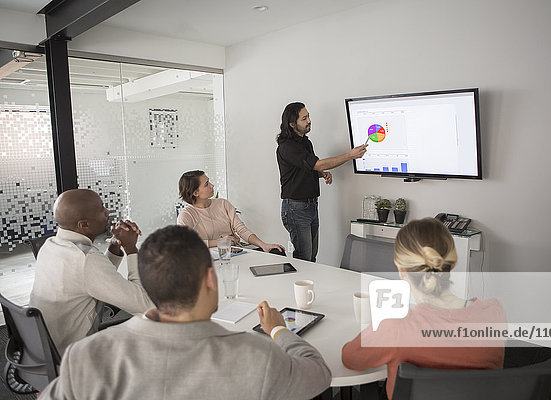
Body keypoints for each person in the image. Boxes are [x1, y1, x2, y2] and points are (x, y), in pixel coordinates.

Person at [39, 225, 332, 399]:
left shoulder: (85, 356)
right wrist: (278, 330)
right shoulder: (257, 356)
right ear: (209, 279)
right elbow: (319, 374)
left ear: (149, 285)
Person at [342, 218, 505, 399]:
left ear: (401, 271)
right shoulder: (494, 313)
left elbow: (350, 358)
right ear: (451, 263)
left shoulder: (396, 327)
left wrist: (381, 324)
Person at [29, 189, 153, 355]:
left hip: (41, 347)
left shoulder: (50, 245)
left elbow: (92, 279)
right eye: (102, 209)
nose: (108, 212)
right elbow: (144, 304)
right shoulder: (86, 259)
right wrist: (131, 249)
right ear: (83, 225)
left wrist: (116, 244)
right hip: (72, 354)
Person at [276, 102, 367, 262]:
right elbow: (317, 163)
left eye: (308, 116)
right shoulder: (288, 147)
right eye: (304, 118)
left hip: (310, 205)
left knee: (311, 258)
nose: (309, 120)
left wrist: (321, 174)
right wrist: (349, 155)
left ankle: (308, 286)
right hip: (296, 208)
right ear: (292, 124)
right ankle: (300, 286)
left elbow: (306, 168)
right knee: (304, 259)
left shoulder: (305, 142)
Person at [177, 170, 284, 253]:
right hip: (211, 260)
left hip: (236, 253)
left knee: (278, 252)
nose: (212, 185)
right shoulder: (186, 215)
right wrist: (219, 243)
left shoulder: (222, 204)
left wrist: (263, 245)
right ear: (195, 192)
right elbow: (185, 244)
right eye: (206, 184)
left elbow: (241, 230)